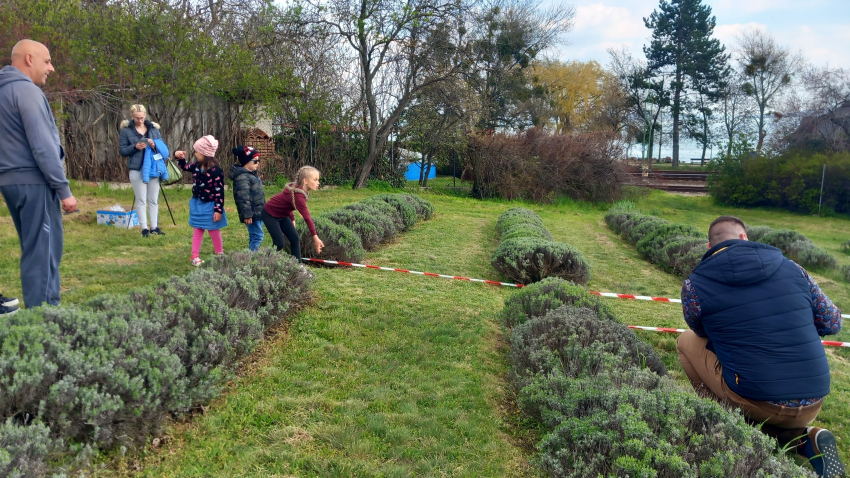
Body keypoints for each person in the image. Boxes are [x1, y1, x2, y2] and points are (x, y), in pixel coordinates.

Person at [677, 215, 844, 478]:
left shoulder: (694, 285)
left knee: (685, 341)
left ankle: (729, 425)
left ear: (709, 247)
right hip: (814, 398)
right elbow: (833, 322)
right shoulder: (793, 268)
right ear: (744, 238)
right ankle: (803, 437)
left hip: (754, 399)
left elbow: (701, 332)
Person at [0, 39, 77, 308]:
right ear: (29, 59)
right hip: (35, 183)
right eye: (47, 61)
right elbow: (43, 147)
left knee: (33, 248)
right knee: (43, 253)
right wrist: (63, 190)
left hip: (9, 182)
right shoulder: (28, 92)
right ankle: (45, 322)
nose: (51, 68)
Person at [174, 135, 227, 267]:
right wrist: (179, 157)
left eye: (197, 151)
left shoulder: (216, 171)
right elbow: (185, 166)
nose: (195, 154)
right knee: (198, 229)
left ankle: (219, 253)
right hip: (197, 203)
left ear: (205, 153)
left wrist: (218, 210)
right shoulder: (196, 166)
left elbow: (219, 191)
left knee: (214, 230)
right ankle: (194, 255)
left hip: (211, 205)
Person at [118, 104, 166, 237]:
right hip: (137, 168)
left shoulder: (153, 129)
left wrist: (154, 144)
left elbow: (162, 148)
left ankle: (154, 227)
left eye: (142, 118)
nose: (140, 120)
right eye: (137, 118)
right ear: (132, 117)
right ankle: (144, 229)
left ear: (145, 116)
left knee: (153, 199)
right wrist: (135, 147)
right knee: (141, 199)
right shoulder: (126, 131)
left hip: (152, 168)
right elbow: (122, 151)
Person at [261, 166, 324, 262]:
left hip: (282, 215)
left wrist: (292, 218)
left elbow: (289, 204)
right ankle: (264, 262)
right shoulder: (298, 195)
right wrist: (316, 238)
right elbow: (307, 218)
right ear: (305, 181)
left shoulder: (299, 190)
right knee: (280, 243)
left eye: (318, 180)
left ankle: (298, 266)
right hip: (270, 214)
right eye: (315, 180)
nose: (318, 183)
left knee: (295, 238)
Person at [230, 145, 266, 252]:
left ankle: (251, 255)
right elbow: (243, 198)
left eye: (258, 160)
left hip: (258, 212)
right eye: (255, 161)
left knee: (254, 235)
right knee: (258, 236)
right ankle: (252, 259)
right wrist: (247, 215)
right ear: (246, 161)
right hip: (252, 214)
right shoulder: (242, 177)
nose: (257, 163)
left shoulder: (251, 175)